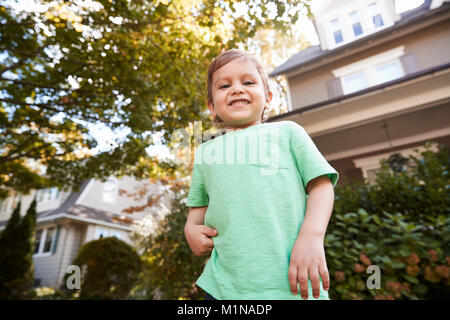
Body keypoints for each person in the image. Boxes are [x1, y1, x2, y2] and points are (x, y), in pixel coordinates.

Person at [184, 49, 339, 300]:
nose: (236, 89)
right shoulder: (206, 152)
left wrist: (312, 236)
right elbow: (196, 213)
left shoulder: (288, 133)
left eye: (248, 82)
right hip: (224, 289)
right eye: (224, 85)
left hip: (293, 283)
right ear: (212, 106)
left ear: (267, 98)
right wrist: (190, 230)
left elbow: (322, 186)